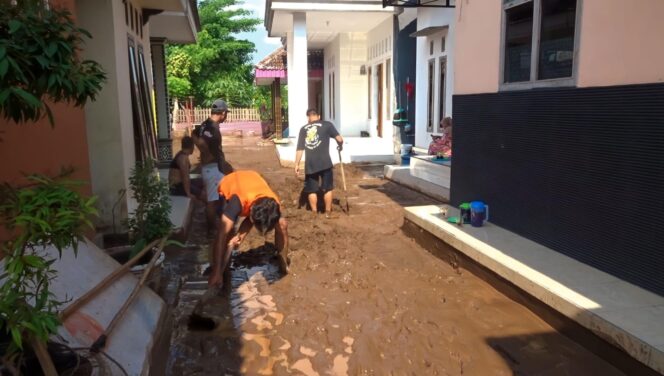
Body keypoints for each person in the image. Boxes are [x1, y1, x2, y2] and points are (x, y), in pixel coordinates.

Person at [208, 170, 289, 288]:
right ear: (251, 212)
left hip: (253, 178)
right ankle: (221, 274)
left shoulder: (273, 204)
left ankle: (283, 263)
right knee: (227, 233)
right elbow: (220, 235)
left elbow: (252, 218)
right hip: (230, 182)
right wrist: (216, 271)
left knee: (282, 224)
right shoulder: (236, 202)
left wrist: (240, 236)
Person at [192, 99, 232, 234]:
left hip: (211, 168)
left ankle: (217, 224)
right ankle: (211, 230)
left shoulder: (205, 124)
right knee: (212, 201)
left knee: (217, 196)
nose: (226, 116)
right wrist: (207, 154)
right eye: (226, 113)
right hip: (212, 168)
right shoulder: (213, 128)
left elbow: (193, 134)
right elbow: (203, 143)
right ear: (222, 112)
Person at [294, 109, 344, 217]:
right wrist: (340, 145)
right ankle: (327, 213)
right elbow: (339, 139)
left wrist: (296, 164)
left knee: (311, 190)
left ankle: (314, 213)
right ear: (319, 116)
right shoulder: (327, 125)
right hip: (325, 162)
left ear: (308, 117)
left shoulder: (303, 129)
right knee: (328, 188)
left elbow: (300, 149)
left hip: (310, 164)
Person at [168, 136, 205, 201]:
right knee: (204, 195)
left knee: (203, 181)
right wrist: (188, 193)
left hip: (180, 184)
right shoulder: (183, 158)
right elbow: (185, 177)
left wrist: (199, 166)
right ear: (192, 146)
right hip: (177, 187)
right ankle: (210, 208)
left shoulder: (181, 154)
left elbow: (187, 172)